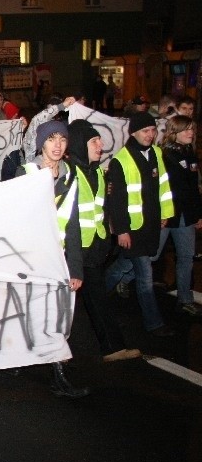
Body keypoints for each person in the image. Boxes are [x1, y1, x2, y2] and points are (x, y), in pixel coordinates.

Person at [16, 121, 90, 397]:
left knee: (58, 318)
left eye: (62, 139)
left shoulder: (72, 176)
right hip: (32, 260)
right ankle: (22, 356)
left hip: (58, 260)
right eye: (51, 139)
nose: (57, 145)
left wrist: (76, 268)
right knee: (30, 313)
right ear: (41, 144)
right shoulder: (25, 173)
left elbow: (73, 224)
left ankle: (59, 376)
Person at [65, 119, 142, 362]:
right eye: (94, 141)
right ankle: (48, 352)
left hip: (93, 250)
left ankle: (112, 347)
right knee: (59, 306)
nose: (101, 145)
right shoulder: (67, 175)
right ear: (80, 144)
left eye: (99, 140)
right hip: (70, 252)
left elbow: (100, 211)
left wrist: (104, 242)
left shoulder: (97, 171)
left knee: (98, 300)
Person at [105, 112, 175, 337]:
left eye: (153, 130)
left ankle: (97, 293)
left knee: (124, 266)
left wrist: (166, 213)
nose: (150, 134)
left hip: (152, 225)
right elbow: (117, 202)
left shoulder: (157, 153)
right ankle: (154, 323)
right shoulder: (120, 161)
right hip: (133, 229)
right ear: (133, 132)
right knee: (145, 276)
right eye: (146, 131)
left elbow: (163, 186)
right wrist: (122, 231)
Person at [154, 115, 202, 316]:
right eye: (185, 129)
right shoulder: (164, 155)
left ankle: (185, 299)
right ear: (174, 133)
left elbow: (193, 188)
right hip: (167, 215)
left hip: (185, 216)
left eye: (191, 129)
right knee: (151, 254)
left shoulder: (190, 153)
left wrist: (197, 214)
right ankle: (120, 276)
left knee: (186, 257)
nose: (190, 133)